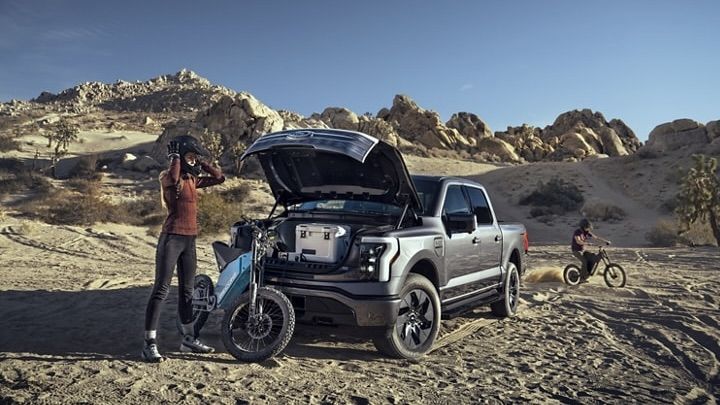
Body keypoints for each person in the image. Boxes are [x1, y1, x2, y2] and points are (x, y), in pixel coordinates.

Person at [141, 135, 225, 363]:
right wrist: (177, 156)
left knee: (187, 291)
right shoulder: (169, 178)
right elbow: (175, 174)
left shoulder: (192, 180)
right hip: (172, 238)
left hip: (189, 240)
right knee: (161, 289)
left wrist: (201, 161)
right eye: (190, 156)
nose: (193, 161)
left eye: (193, 157)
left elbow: (220, 178)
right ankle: (149, 344)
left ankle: (189, 339)